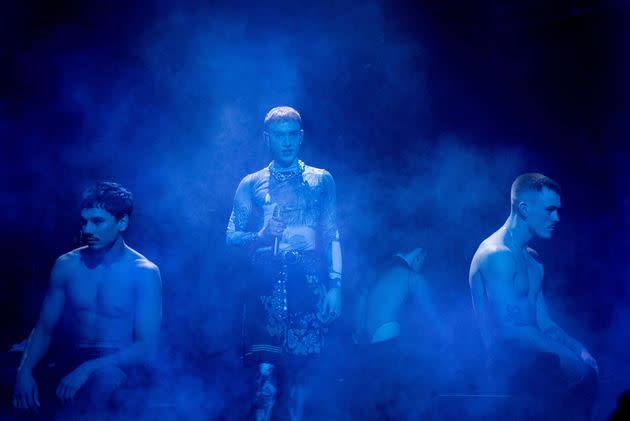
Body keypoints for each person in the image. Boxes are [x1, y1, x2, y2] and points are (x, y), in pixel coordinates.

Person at [226, 106, 342, 420]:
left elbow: (332, 234)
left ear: (301, 137)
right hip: (265, 285)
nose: (287, 143)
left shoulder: (321, 180)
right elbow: (231, 236)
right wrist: (261, 235)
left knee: (302, 376)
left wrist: (335, 286)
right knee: (265, 375)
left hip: (308, 283)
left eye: (292, 135)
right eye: (279, 136)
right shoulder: (251, 183)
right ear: (267, 139)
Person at [13, 182, 162, 416]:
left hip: (119, 360)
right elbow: (44, 329)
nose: (87, 230)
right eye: (84, 221)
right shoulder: (67, 265)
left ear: (122, 222)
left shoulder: (144, 271)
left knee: (103, 382)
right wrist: (24, 371)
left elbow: (146, 347)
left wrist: (89, 368)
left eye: (97, 221)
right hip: (72, 355)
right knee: (24, 394)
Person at [469, 173, 597, 419]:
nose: (556, 218)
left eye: (558, 210)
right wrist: (566, 356)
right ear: (524, 208)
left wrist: (578, 349)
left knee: (589, 372)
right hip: (508, 374)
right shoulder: (497, 254)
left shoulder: (533, 260)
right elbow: (512, 331)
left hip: (536, 369)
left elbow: (543, 322)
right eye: (550, 210)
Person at [352, 244, 448, 419]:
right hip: (389, 352)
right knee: (399, 408)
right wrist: (451, 343)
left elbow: (359, 307)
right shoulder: (412, 277)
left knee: (373, 410)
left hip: (363, 352)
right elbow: (434, 320)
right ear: (419, 254)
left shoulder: (374, 274)